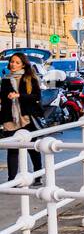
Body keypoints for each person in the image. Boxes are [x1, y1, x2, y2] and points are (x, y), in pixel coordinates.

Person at [2, 52, 45, 184]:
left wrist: (19, 96)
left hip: (27, 117)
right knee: (12, 149)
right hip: (11, 118)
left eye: (16, 62)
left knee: (32, 148)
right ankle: (12, 180)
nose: (13, 64)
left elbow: (37, 97)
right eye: (11, 62)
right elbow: (3, 99)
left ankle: (38, 177)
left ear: (23, 65)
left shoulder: (29, 78)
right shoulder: (5, 79)